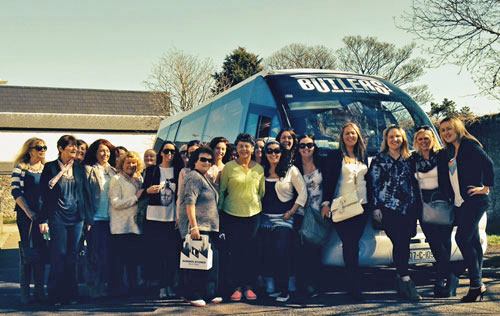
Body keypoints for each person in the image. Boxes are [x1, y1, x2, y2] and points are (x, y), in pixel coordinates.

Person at [439, 117, 494, 302]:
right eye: (443, 130)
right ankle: (478, 285)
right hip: (460, 202)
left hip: (475, 200)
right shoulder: (449, 151)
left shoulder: (468, 144)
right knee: (474, 242)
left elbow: (488, 164)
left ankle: (476, 285)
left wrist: (485, 187)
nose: (446, 132)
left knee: (461, 238)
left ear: (458, 128)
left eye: (449, 128)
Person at [38, 135, 93, 306]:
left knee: (72, 257)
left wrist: (88, 219)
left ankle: (71, 295)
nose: (75, 150)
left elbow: (86, 193)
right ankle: (55, 296)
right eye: (71, 147)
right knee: (58, 256)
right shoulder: (50, 167)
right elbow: (43, 195)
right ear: (61, 148)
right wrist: (43, 219)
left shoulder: (79, 168)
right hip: (57, 218)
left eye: (76, 147)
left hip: (76, 218)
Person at [369, 125, 420, 301]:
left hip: (409, 208)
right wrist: (375, 208)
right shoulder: (379, 160)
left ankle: (401, 279)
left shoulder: (410, 158)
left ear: (403, 139)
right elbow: (373, 185)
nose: (394, 140)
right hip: (388, 208)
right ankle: (406, 280)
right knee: (399, 241)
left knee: (404, 243)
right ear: (386, 139)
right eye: (391, 137)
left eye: (398, 136)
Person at [321, 123, 370, 301]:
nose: (351, 136)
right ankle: (353, 286)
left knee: (353, 244)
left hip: (362, 206)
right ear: (342, 136)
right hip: (341, 205)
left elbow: (369, 180)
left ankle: (353, 283)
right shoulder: (335, 156)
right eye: (347, 133)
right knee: (349, 244)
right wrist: (325, 202)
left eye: (354, 133)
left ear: (358, 136)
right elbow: (328, 180)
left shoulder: (362, 155)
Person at [409, 126, 456, 298]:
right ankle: (447, 276)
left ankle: (441, 279)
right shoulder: (413, 159)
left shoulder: (443, 155)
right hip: (424, 207)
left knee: (444, 242)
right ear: (416, 142)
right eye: (420, 139)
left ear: (432, 139)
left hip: (444, 203)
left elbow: (456, 172)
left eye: (427, 138)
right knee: (435, 244)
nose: (424, 142)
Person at [218, 133, 265, 301]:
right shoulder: (229, 167)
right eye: (241, 146)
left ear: (253, 148)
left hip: (253, 216)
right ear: (236, 148)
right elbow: (222, 191)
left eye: (247, 146)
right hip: (231, 214)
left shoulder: (259, 169)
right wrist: (220, 214)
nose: (244, 149)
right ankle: (237, 287)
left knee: (251, 252)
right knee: (235, 252)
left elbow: (261, 193)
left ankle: (249, 286)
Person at [260, 140, 307, 302]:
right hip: (265, 219)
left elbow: (303, 193)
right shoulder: (261, 170)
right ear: (265, 153)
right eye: (270, 151)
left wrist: (291, 212)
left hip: (284, 219)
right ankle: (270, 286)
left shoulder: (290, 170)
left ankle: (284, 289)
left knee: (281, 251)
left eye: (277, 151)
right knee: (266, 251)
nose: (274, 154)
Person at [178, 146, 222, 307]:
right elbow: (189, 202)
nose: (207, 162)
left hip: (209, 227)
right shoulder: (193, 177)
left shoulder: (204, 178)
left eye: (210, 160)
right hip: (198, 227)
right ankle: (191, 293)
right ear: (194, 160)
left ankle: (205, 293)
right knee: (194, 263)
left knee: (207, 263)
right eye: (203, 159)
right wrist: (193, 227)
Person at [142, 141, 184, 298]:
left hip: (171, 219)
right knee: (157, 255)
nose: (169, 154)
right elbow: (143, 192)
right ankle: (161, 287)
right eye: (166, 151)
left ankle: (168, 285)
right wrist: (148, 190)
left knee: (171, 254)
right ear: (161, 153)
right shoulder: (152, 170)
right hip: (154, 218)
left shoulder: (178, 171)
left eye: (173, 152)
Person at [11, 137, 48, 303]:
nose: (42, 150)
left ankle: (40, 290)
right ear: (30, 150)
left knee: (41, 252)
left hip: (42, 216)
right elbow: (15, 191)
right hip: (26, 216)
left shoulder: (47, 169)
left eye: (44, 147)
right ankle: (25, 291)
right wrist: (28, 212)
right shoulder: (21, 168)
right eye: (39, 147)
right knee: (28, 252)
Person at [82, 139, 117, 298]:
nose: (105, 154)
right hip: (95, 218)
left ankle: (106, 285)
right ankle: (93, 286)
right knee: (94, 254)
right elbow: (84, 195)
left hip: (111, 219)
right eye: (102, 151)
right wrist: (86, 218)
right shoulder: (88, 170)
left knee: (108, 254)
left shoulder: (114, 171)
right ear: (95, 153)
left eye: (108, 151)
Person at [108, 151, 144, 297]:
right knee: (119, 262)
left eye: (133, 162)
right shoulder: (117, 179)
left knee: (133, 261)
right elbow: (115, 203)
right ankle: (118, 291)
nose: (131, 165)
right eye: (128, 162)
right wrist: (135, 198)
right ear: (122, 164)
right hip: (120, 227)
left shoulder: (138, 179)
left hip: (135, 226)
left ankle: (133, 289)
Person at [294, 134, 325, 298]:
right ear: (297, 149)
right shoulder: (294, 167)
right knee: (303, 251)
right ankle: (305, 286)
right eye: (302, 146)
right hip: (301, 214)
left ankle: (316, 284)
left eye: (310, 145)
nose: (306, 148)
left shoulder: (322, 164)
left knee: (317, 249)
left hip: (320, 213)